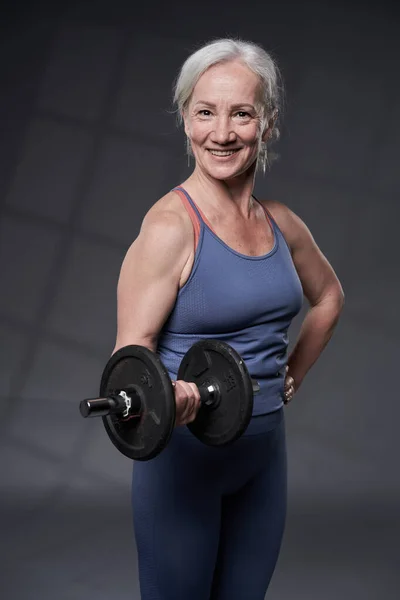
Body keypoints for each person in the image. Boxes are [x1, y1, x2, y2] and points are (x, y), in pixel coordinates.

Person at [111, 38, 344, 600]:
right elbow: (128, 363)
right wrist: (168, 395)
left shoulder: (281, 224)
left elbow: (330, 296)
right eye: (205, 112)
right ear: (186, 120)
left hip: (263, 463)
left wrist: (293, 373)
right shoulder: (171, 227)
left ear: (267, 124)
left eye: (242, 113)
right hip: (183, 466)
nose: (222, 133)